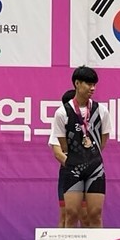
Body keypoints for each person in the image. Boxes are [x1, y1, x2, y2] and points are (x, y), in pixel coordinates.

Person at [51, 66, 111, 227]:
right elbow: (63, 145)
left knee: (95, 214)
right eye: (89, 84)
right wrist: (77, 158)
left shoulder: (102, 111)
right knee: (71, 214)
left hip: (95, 168)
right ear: (77, 83)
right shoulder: (62, 113)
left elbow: (104, 139)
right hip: (73, 169)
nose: (93, 88)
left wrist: (90, 155)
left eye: (94, 84)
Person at [49, 89, 84, 227]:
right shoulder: (60, 124)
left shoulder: (89, 123)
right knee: (66, 216)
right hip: (68, 172)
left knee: (86, 216)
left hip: (87, 173)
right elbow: (58, 153)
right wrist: (73, 166)